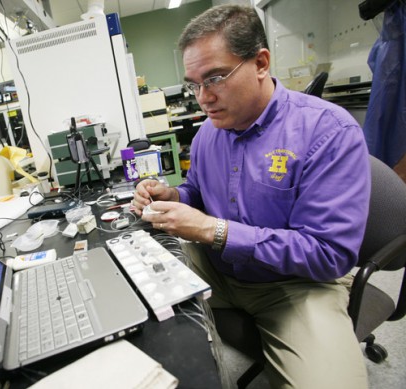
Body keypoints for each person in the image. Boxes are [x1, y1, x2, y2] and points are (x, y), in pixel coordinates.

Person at [134, 4, 370, 388]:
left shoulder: (328, 133)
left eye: (214, 78)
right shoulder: (210, 131)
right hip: (219, 268)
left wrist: (218, 231)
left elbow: (330, 254)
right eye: (194, 84)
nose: (203, 98)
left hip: (293, 285)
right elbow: (198, 190)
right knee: (140, 295)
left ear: (261, 63)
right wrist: (173, 193)